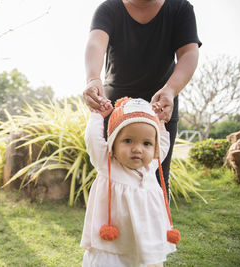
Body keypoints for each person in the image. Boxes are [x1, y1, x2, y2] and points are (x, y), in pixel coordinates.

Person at [82, 0, 201, 197]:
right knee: (111, 176)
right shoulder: (109, 9)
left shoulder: (180, 8)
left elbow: (189, 52)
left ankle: (158, 228)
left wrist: (170, 90)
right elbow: (95, 42)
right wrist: (93, 78)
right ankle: (111, 227)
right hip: (115, 109)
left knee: (158, 176)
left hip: (160, 106)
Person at [81, 97, 179, 267]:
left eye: (147, 143)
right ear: (113, 142)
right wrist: (98, 115)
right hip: (113, 246)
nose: (137, 149)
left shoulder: (151, 166)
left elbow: (163, 144)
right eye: (128, 141)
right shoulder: (107, 164)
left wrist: (161, 123)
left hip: (145, 243)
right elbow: (93, 140)